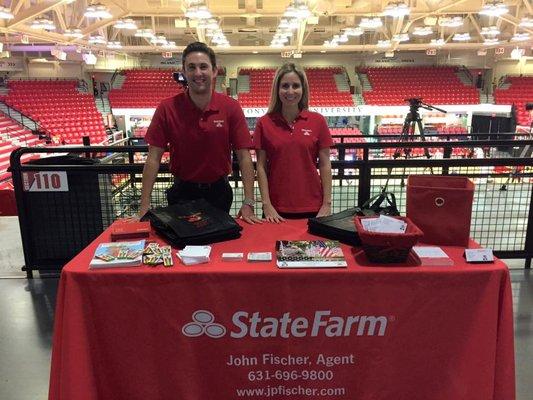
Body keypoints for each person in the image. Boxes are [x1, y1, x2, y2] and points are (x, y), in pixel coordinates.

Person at [139, 42, 260, 224]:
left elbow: (244, 157)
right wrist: (144, 203)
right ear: (184, 72)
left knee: (220, 248)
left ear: (214, 71)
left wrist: (248, 202)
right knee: (183, 249)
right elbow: (153, 158)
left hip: (219, 193)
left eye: (203, 67)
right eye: (191, 67)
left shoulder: (231, 107)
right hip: (182, 194)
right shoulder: (167, 108)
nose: (198, 73)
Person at [254, 63, 333, 222]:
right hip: (275, 210)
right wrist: (266, 204)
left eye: (296, 86)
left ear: (303, 89)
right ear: (277, 89)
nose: (290, 91)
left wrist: (327, 204)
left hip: (313, 207)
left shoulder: (318, 121)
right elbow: (261, 167)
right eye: (285, 86)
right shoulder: (264, 123)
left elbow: (325, 165)